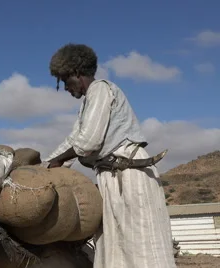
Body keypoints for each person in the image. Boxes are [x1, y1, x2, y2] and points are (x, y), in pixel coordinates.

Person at [44, 43, 177, 268]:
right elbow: (74, 140)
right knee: (115, 245)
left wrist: (58, 161)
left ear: (77, 73)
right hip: (111, 176)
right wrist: (45, 165)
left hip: (130, 173)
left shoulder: (100, 89)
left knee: (138, 243)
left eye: (66, 81)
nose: (66, 88)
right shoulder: (87, 103)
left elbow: (87, 142)